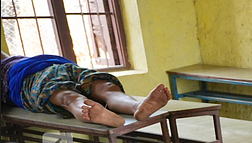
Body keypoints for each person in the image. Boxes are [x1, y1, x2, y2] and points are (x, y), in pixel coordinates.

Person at [1, 51, 169, 127]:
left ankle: (133, 108)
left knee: (69, 96)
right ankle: (135, 107)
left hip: (40, 74)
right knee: (101, 88)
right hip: (48, 70)